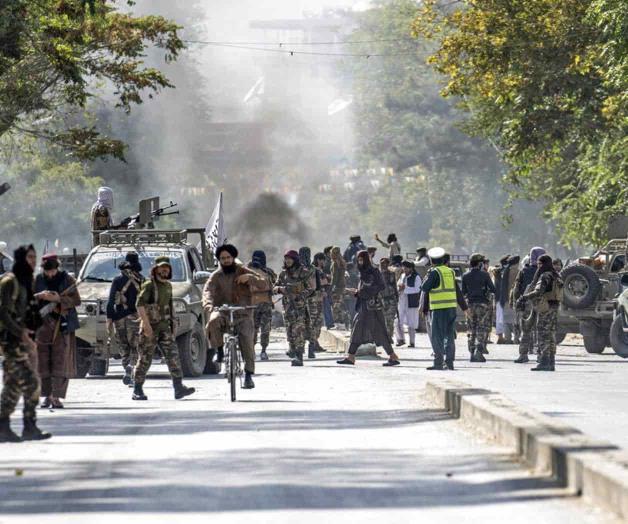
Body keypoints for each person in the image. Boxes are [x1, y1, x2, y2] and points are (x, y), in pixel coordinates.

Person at [0, 245, 51, 442]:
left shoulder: (25, 282)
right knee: (31, 383)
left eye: (34, 257)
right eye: (29, 257)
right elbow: (3, 312)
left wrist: (30, 333)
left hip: (21, 341)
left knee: (12, 386)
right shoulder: (9, 282)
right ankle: (28, 426)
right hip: (10, 341)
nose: (33, 260)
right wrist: (20, 333)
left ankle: (5, 427)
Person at [204, 244, 268, 388]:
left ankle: (249, 376)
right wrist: (209, 305)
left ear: (233, 258)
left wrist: (250, 278)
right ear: (219, 260)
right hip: (223, 311)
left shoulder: (243, 271)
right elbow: (207, 291)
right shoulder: (216, 276)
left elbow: (263, 284)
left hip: (243, 313)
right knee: (213, 321)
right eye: (223, 258)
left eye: (228, 257)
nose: (226, 260)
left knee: (247, 340)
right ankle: (219, 351)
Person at [133, 256, 195, 400]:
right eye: (162, 268)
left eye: (167, 268)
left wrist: (173, 326)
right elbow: (139, 305)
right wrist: (146, 325)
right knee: (144, 359)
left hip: (165, 328)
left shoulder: (168, 286)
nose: (165, 270)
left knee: (173, 357)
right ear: (155, 269)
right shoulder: (149, 285)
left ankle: (178, 388)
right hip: (150, 328)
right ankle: (137, 389)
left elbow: (170, 306)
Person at [337, 251, 401, 367]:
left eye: (362, 260)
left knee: (379, 332)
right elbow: (363, 289)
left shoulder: (374, 271)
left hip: (372, 308)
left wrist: (365, 292)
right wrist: (357, 292)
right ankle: (351, 356)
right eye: (359, 260)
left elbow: (381, 286)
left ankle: (392, 356)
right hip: (363, 306)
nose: (360, 262)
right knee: (357, 330)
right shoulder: (363, 272)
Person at [34, 253, 81, 409]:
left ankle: (56, 396)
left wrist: (58, 299)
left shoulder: (68, 280)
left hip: (62, 325)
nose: (50, 274)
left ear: (57, 267)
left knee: (61, 362)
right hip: (41, 326)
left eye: (52, 270)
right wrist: (39, 296)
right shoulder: (37, 280)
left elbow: (76, 300)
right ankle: (46, 396)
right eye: (47, 271)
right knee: (42, 362)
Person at [422, 247, 467, 370]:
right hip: (451, 308)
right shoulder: (450, 272)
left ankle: (438, 363)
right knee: (450, 336)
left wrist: (427, 276)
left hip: (439, 308)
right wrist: (464, 307)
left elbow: (424, 287)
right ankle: (449, 363)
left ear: (431, 261)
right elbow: (457, 291)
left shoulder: (434, 272)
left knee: (437, 337)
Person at [519, 254, 562, 371]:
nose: (538, 266)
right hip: (555, 307)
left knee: (543, 334)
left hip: (546, 308)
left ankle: (544, 361)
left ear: (542, 264)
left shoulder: (545, 276)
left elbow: (538, 291)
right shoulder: (556, 275)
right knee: (551, 335)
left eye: (539, 264)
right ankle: (551, 362)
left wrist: (525, 297)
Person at [106, 252, 144, 385]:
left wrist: (109, 319)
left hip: (119, 318)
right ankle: (132, 369)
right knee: (136, 347)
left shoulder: (117, 280)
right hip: (135, 317)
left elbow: (110, 301)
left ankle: (126, 366)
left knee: (123, 347)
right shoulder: (141, 280)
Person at [275, 250, 311, 366]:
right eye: (286, 259)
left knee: (299, 330)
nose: (287, 261)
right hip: (287, 307)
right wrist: (280, 289)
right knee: (290, 331)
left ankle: (299, 356)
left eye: (290, 258)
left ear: (295, 260)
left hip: (299, 307)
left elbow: (310, 288)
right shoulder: (283, 274)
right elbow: (275, 287)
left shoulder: (304, 272)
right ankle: (293, 350)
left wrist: (300, 295)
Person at [512, 247, 545, 363]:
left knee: (526, 330)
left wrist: (517, 302)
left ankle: (523, 354)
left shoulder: (524, 271)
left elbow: (516, 289)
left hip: (527, 304)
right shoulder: (547, 272)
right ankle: (541, 356)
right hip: (542, 305)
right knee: (541, 331)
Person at [462, 253, 496, 362]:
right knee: (481, 328)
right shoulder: (485, 275)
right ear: (480, 263)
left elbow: (463, 292)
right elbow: (493, 289)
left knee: (471, 328)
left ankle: (471, 353)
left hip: (470, 305)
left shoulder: (465, 276)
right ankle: (479, 352)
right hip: (482, 305)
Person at [247, 250, 277, 362]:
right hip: (252, 304)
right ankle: (252, 349)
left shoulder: (268, 272)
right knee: (252, 329)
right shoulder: (247, 271)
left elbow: (275, 283)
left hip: (266, 304)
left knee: (265, 329)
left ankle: (263, 350)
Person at [299, 247, 323, 359]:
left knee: (301, 324)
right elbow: (318, 287)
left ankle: (301, 347)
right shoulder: (314, 269)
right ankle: (311, 348)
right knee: (313, 325)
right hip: (312, 301)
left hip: (300, 301)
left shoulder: (296, 269)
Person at [494, 255, 521, 344]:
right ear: (517, 263)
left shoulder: (502, 271)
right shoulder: (518, 272)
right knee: (515, 320)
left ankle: (508, 338)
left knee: (505, 320)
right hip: (514, 299)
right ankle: (516, 338)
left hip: (503, 299)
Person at [395, 260, 421, 348]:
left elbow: (417, 289)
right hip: (402, 301)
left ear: (411, 268)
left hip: (411, 302)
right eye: (403, 267)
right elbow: (398, 285)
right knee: (398, 321)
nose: (404, 269)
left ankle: (412, 342)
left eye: (406, 267)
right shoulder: (402, 276)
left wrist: (405, 288)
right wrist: (399, 288)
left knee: (411, 323)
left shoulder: (416, 277)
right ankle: (401, 339)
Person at [330, 246, 351, 330]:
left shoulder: (335, 263)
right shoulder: (342, 261)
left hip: (337, 287)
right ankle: (343, 322)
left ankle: (340, 323)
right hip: (342, 286)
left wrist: (332, 286)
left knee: (336, 306)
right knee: (340, 305)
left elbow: (335, 277)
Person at [313, 252, 330, 351]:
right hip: (316, 299)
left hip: (317, 299)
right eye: (323, 260)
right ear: (319, 260)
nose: (324, 262)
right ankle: (314, 343)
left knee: (317, 322)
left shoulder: (317, 270)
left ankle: (315, 343)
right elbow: (322, 283)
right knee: (317, 322)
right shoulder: (316, 271)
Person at [379, 258, 399, 341]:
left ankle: (389, 336)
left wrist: (396, 297)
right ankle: (384, 337)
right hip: (381, 299)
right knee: (382, 320)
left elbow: (394, 286)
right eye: (382, 263)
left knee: (390, 320)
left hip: (391, 299)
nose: (384, 265)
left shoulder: (391, 274)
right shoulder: (378, 275)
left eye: (386, 263)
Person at [321, 247, 335, 329]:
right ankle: (329, 323)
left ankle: (330, 322)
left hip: (329, 285)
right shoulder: (325, 261)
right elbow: (321, 273)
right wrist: (328, 276)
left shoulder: (330, 260)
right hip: (325, 286)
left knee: (329, 304)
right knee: (326, 304)